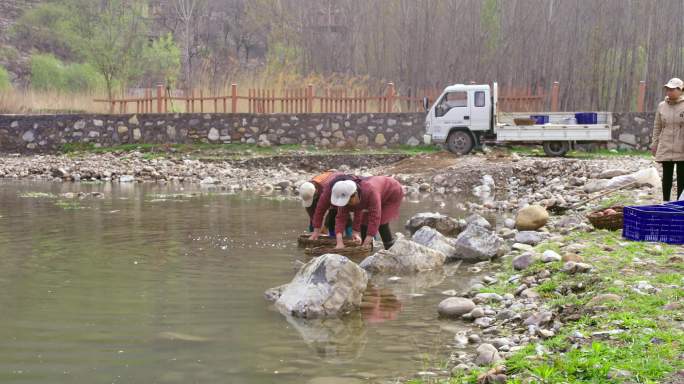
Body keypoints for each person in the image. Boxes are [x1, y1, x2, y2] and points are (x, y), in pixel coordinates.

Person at [330, 176, 404, 250]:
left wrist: (369, 238)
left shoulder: (371, 192)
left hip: (392, 191)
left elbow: (375, 217)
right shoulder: (346, 197)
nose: (347, 204)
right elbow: (340, 219)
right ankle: (368, 249)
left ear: (355, 194)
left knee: (382, 222)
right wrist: (340, 242)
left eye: (349, 201)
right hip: (378, 191)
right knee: (364, 222)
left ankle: (390, 249)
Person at [651, 77, 684, 201]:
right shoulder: (661, 106)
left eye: (672, 89)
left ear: (680, 90)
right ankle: (665, 202)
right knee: (667, 176)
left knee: (682, 177)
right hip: (666, 144)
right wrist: (654, 144)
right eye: (668, 89)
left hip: (682, 146)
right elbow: (657, 126)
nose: (669, 91)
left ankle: (680, 204)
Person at [299, 172, 353, 238]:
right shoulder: (307, 188)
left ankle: (347, 236)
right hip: (321, 188)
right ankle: (313, 234)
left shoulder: (328, 188)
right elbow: (312, 212)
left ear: (316, 191)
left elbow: (334, 208)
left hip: (339, 183)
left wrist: (325, 226)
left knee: (339, 212)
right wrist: (316, 229)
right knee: (313, 213)